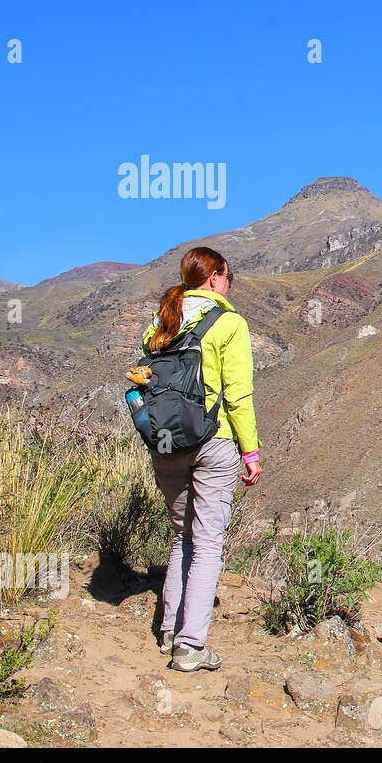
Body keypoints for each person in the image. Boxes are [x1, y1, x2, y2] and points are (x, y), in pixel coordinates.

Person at [142, 246, 262, 672]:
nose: (230, 284)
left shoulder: (162, 321)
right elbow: (238, 394)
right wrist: (250, 451)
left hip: (167, 443)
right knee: (208, 540)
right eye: (229, 277)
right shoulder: (228, 323)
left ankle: (170, 632)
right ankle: (191, 647)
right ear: (214, 277)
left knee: (181, 536)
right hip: (214, 441)